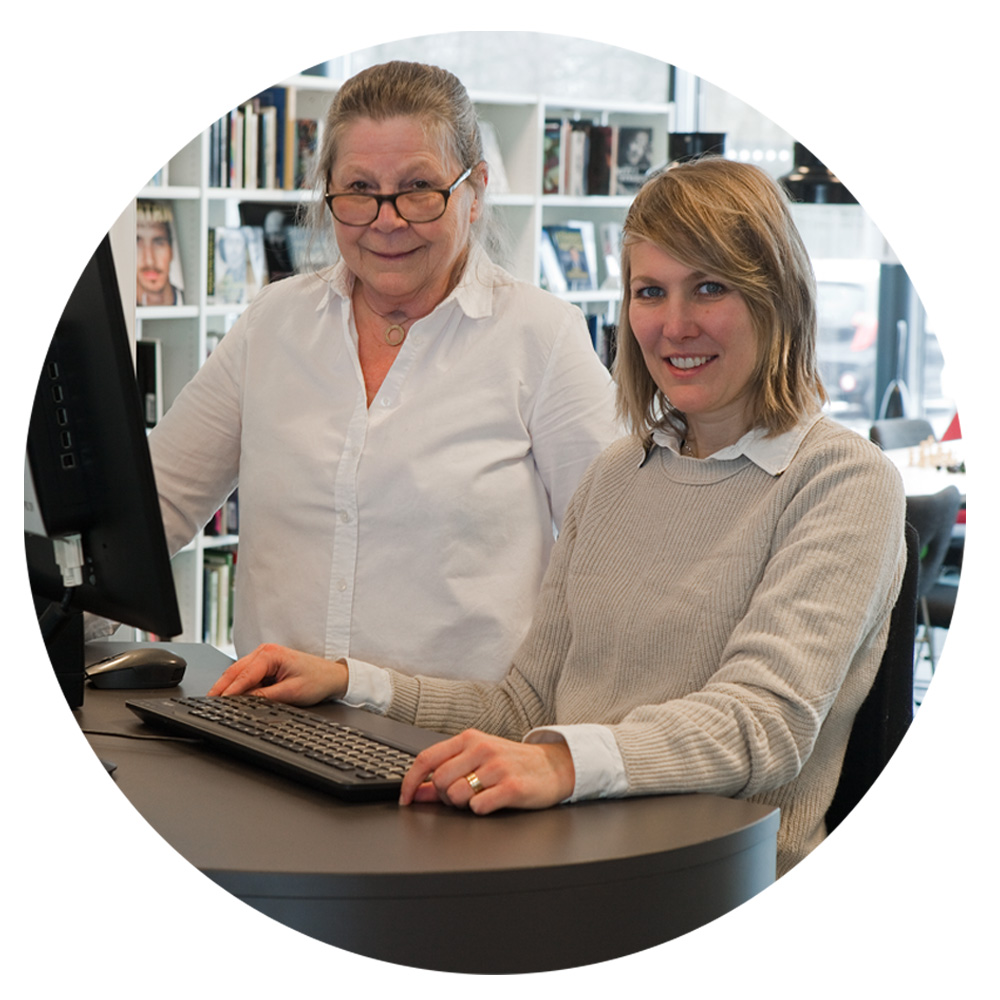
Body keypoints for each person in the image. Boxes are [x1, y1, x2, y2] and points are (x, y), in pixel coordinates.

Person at [209, 157, 906, 877]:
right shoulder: (619, 473)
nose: (675, 325)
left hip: (712, 884)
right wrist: (350, 681)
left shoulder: (841, 480)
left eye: (710, 288)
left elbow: (763, 724)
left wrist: (560, 763)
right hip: (571, 860)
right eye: (650, 292)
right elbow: (524, 706)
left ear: (777, 296)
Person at [147, 61, 619, 681]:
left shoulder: (541, 337)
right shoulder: (273, 324)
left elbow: (618, 554)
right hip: (271, 719)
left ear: (475, 191)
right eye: (360, 189)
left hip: (456, 732)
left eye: (419, 187)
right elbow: (154, 507)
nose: (387, 220)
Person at [136, 201, 183, 305]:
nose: (149, 261)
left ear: (171, 250)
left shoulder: (190, 301)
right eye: (137, 243)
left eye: (159, 242)